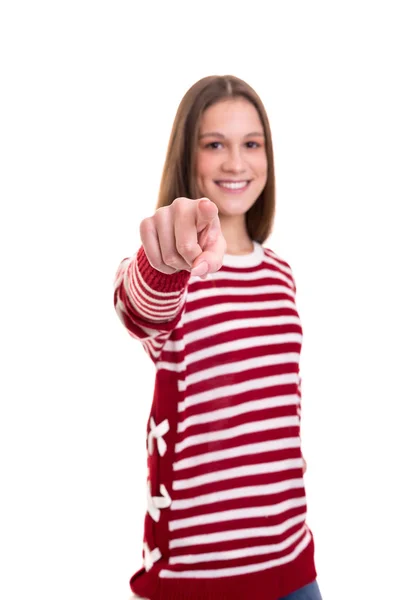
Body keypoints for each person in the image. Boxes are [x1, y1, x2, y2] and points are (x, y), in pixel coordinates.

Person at [114, 75, 322, 600]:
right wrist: (165, 262)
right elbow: (138, 310)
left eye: (251, 143)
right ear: (189, 156)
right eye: (215, 144)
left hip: (292, 564)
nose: (236, 163)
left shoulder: (281, 274)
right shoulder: (175, 273)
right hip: (196, 579)